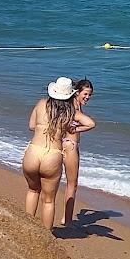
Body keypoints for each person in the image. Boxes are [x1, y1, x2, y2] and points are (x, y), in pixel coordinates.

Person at [23, 77, 78, 229]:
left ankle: (27, 228)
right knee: (48, 200)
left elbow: (31, 125)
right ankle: (46, 236)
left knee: (33, 191)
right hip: (52, 155)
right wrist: (72, 129)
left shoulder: (41, 103)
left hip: (34, 151)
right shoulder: (69, 112)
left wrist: (43, 129)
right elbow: (90, 123)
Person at [60, 78, 97, 227]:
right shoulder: (74, 108)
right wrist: (76, 129)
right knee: (72, 184)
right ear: (77, 93)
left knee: (67, 182)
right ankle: (67, 220)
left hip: (65, 143)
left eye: (90, 95)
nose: (87, 97)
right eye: (85, 94)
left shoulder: (70, 106)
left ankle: (66, 217)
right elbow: (91, 124)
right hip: (70, 145)